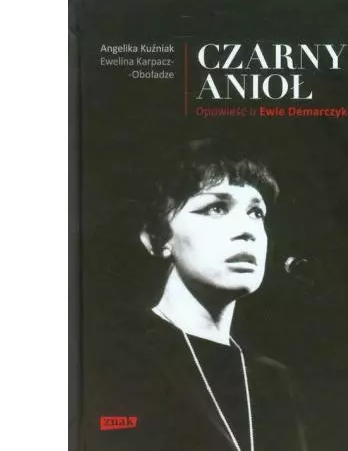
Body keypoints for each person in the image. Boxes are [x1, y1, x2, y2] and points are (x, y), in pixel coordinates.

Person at [83, 138, 308, 451]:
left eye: (256, 213)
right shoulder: (113, 357)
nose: (247, 230)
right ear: (157, 238)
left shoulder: (274, 381)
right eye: (216, 208)